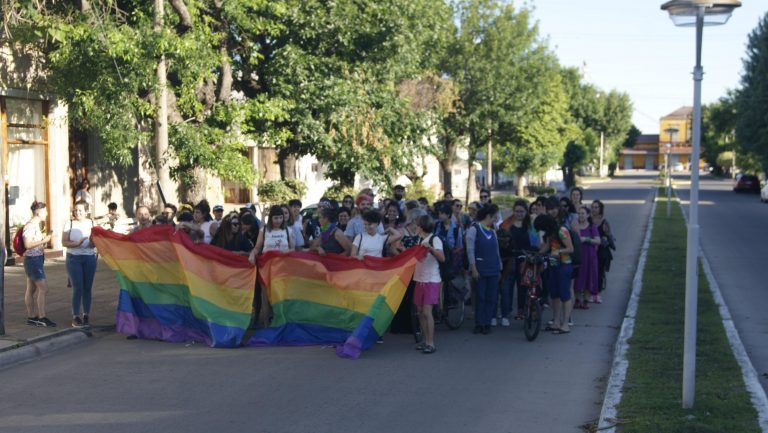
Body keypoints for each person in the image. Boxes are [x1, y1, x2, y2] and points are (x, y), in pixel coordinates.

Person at [535, 214, 574, 334]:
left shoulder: (562, 231)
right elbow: (547, 247)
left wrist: (559, 251)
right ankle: (556, 322)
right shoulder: (550, 233)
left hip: (564, 265)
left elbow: (570, 248)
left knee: (565, 294)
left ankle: (565, 324)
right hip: (553, 265)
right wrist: (537, 254)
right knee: (554, 294)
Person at [466, 204, 502, 335]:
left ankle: (487, 323)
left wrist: (500, 268)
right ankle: (479, 323)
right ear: (489, 216)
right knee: (480, 297)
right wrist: (473, 268)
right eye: (495, 217)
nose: (496, 219)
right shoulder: (474, 229)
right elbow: (470, 250)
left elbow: (497, 251)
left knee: (491, 297)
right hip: (480, 269)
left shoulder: (492, 231)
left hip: (493, 269)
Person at [62, 200, 97, 328]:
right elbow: (64, 242)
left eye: (80, 210)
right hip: (73, 258)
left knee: (87, 288)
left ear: (86, 211)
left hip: (89, 258)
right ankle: (76, 316)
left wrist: (93, 243)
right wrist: (77, 243)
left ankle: (86, 314)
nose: (77, 212)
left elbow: (96, 240)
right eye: (75, 210)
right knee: (78, 288)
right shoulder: (69, 223)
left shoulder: (92, 223)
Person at [414, 215, 444, 354]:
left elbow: (442, 258)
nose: (415, 226)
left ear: (421, 226)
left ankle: (431, 343)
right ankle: (425, 340)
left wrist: (430, 248)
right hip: (419, 279)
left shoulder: (434, 239)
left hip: (431, 279)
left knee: (427, 312)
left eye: (417, 224)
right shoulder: (420, 239)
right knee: (419, 312)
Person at [23, 201, 55, 327]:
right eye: (45, 211)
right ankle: (41, 317)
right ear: (38, 212)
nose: (46, 214)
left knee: (31, 289)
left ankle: (31, 317)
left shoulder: (36, 225)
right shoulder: (30, 225)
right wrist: (44, 240)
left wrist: (44, 240)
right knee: (44, 288)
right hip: (33, 261)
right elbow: (28, 244)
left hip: (36, 260)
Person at [573, 205, 600, 309]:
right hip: (578, 255)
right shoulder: (575, 226)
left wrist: (586, 239)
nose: (581, 215)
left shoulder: (591, 227)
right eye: (579, 213)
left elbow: (598, 241)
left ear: (588, 215)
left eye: (583, 213)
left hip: (589, 256)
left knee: (589, 276)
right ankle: (578, 299)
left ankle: (586, 300)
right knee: (578, 276)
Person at [591, 200, 615, 300]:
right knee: (591, 271)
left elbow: (609, 235)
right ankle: (590, 292)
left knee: (599, 272)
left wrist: (606, 236)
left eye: (596, 207)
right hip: (590, 248)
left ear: (600, 209)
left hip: (601, 250)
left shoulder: (604, 222)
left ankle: (597, 293)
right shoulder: (587, 220)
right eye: (592, 207)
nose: (594, 209)